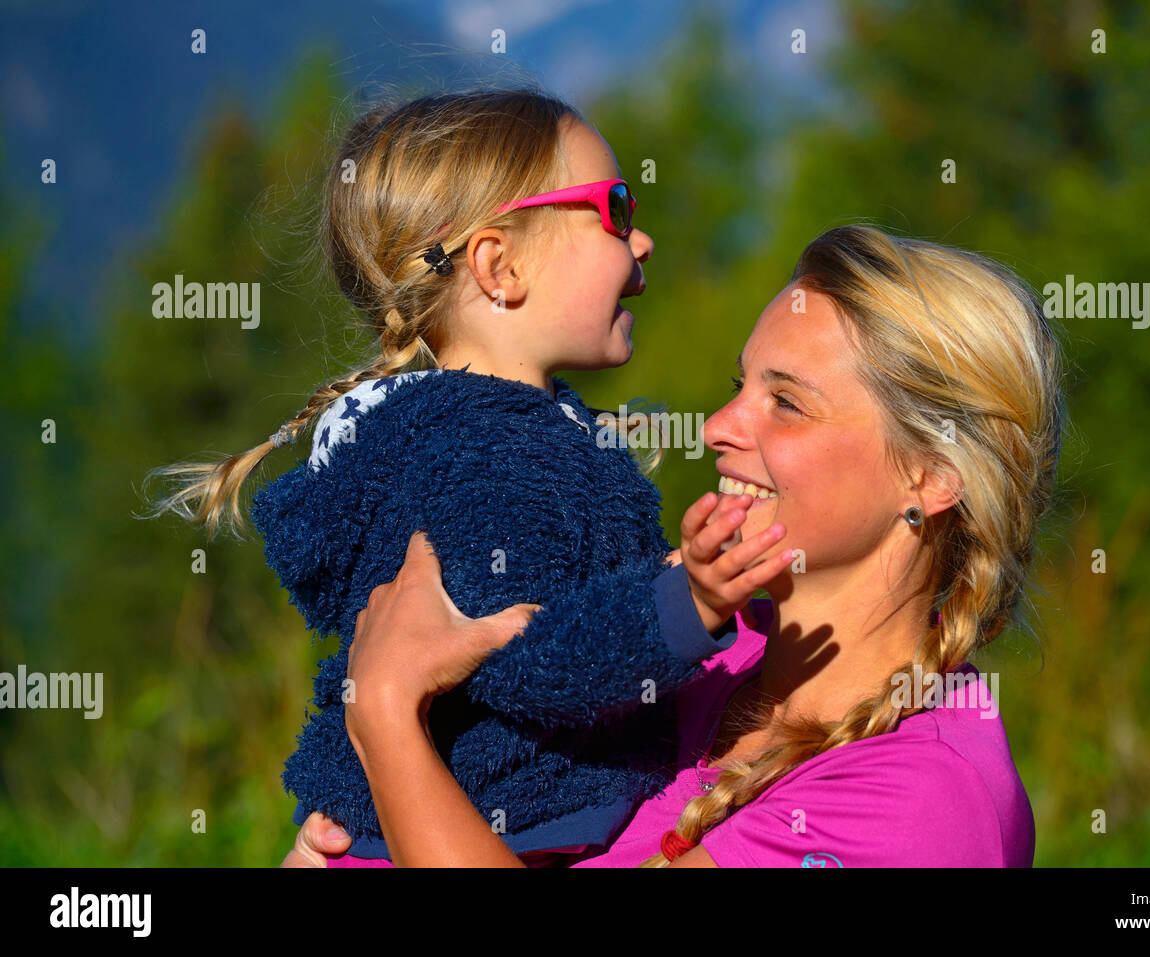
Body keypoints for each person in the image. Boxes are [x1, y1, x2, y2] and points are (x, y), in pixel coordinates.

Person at [142, 88, 794, 866]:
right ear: (499, 264)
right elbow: (519, 658)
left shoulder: (477, 431)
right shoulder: (492, 459)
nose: (643, 240)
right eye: (615, 209)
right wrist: (682, 604)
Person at [284, 223, 1065, 867]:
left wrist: (387, 720)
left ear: (933, 474)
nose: (721, 428)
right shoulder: (693, 646)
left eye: (786, 402)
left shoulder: (920, 800)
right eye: (739, 386)